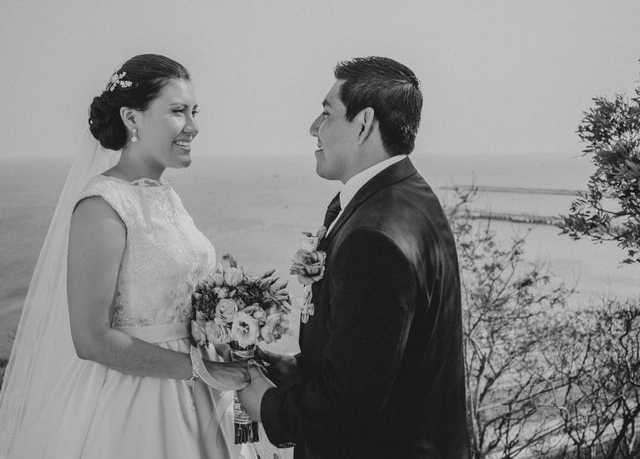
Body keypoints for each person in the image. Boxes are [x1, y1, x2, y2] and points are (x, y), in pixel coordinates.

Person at [0, 54, 249, 459]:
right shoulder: (102, 205)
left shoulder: (165, 194)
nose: (193, 126)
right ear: (132, 118)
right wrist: (202, 369)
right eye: (177, 112)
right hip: (133, 405)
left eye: (194, 111)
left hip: (197, 390)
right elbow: (92, 339)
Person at [238, 56, 470, 458]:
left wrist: (267, 406)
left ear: (363, 124)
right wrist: (298, 371)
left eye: (326, 113)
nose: (314, 127)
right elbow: (377, 357)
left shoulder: (373, 237)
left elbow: (351, 402)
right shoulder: (409, 196)